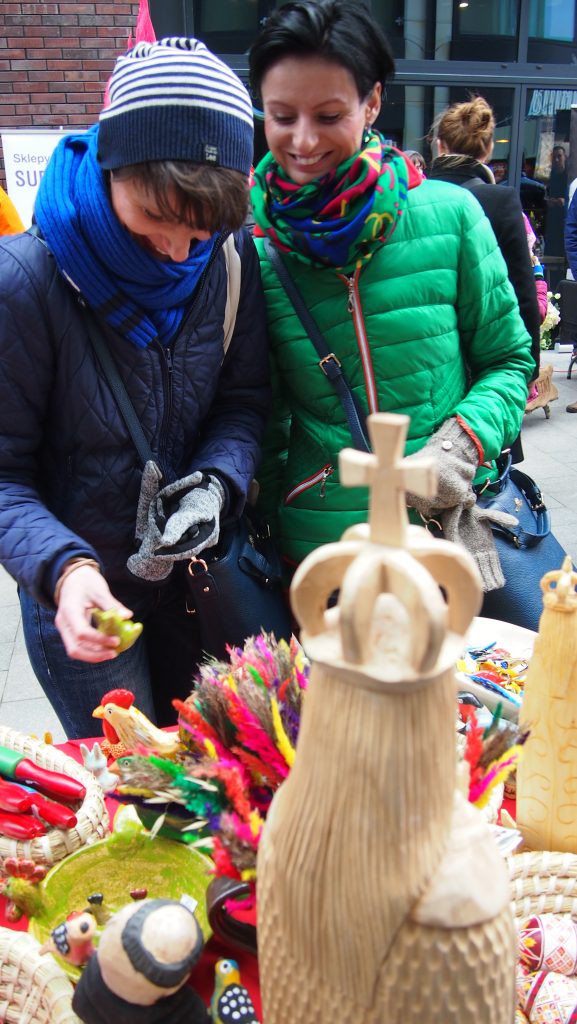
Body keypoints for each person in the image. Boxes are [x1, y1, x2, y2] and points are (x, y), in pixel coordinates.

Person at [0, 38, 270, 738]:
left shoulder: (232, 260)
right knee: (135, 803)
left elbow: (242, 404)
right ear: (112, 162)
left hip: (196, 589)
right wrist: (62, 570)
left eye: (200, 228)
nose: (179, 252)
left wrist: (215, 482)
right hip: (86, 599)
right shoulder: (25, 282)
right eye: (156, 219)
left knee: (210, 782)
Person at [249, 0, 534, 623]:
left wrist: (461, 443)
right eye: (280, 116)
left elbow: (511, 362)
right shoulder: (261, 258)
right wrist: (270, 526)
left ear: (373, 103)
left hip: (446, 541)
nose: (302, 140)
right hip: (325, 560)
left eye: (329, 115)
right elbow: (262, 419)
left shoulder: (452, 216)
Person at [427, 95, 541, 432]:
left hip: (429, 361)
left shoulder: (411, 199)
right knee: (486, 463)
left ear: (438, 145)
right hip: (487, 360)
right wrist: (525, 371)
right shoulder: (500, 200)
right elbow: (522, 295)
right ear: (488, 149)